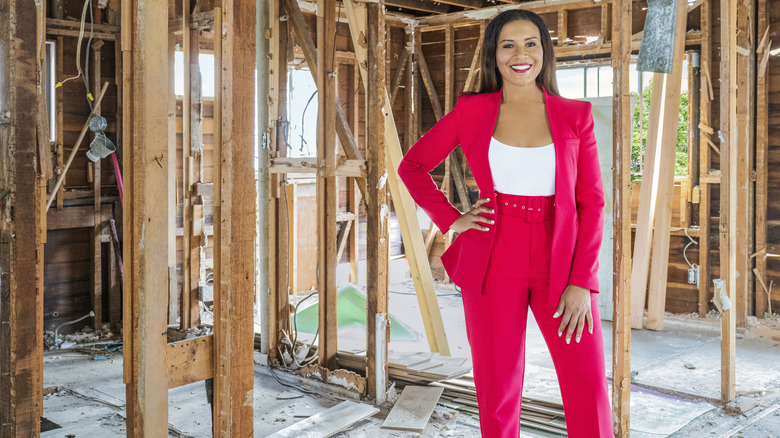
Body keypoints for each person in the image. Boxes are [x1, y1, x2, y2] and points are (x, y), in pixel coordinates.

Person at [397, 9, 612, 438]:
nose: (521, 54)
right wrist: (453, 220)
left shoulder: (575, 115)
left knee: (586, 383)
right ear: (494, 55)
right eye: (507, 44)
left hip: (562, 259)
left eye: (531, 43)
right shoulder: (472, 110)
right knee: (497, 388)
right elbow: (413, 165)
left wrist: (582, 282)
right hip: (493, 256)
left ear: (544, 51)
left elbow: (592, 204)